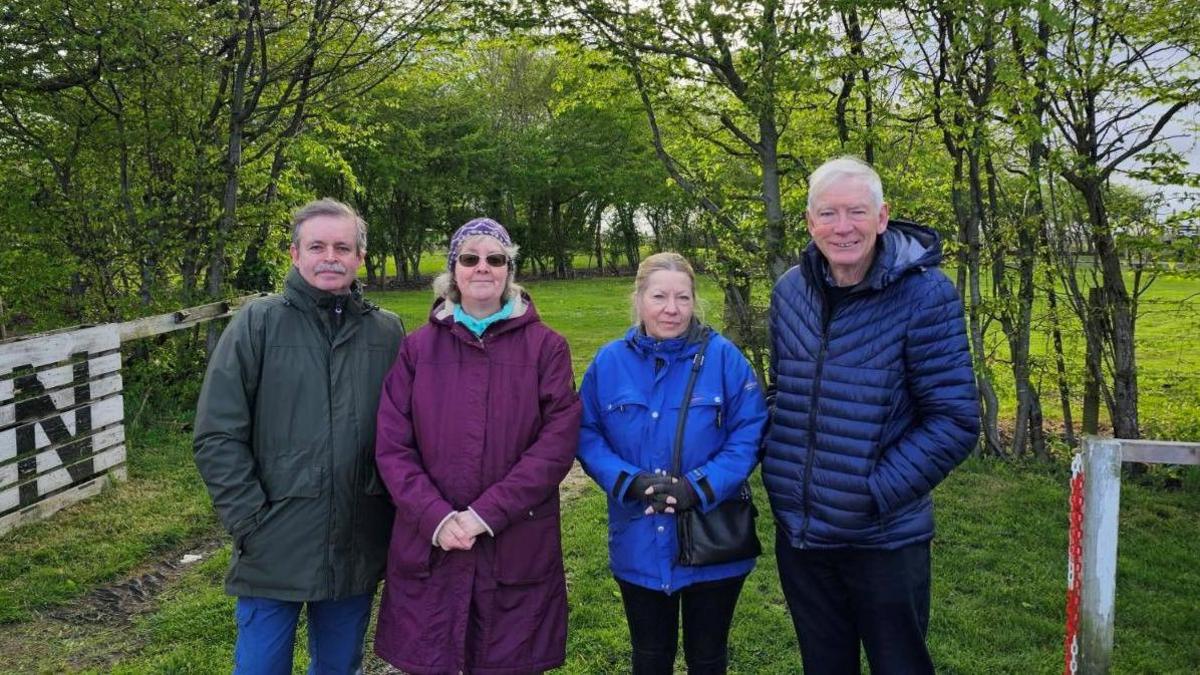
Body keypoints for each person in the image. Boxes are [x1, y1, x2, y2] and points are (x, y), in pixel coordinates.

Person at [763, 156, 980, 674]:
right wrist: (781, 463)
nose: (843, 227)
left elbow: (954, 420)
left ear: (882, 217)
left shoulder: (925, 295)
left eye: (856, 212)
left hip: (883, 537)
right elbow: (786, 391)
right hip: (803, 533)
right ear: (810, 221)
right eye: (829, 213)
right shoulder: (790, 291)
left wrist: (873, 491)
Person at [193, 198, 405, 674]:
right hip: (273, 539)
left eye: (342, 247)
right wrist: (249, 518)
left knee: (339, 666)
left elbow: (406, 431)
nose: (330, 256)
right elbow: (216, 434)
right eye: (317, 246)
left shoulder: (387, 332)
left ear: (360, 257)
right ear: (295, 254)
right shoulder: (258, 323)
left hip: (357, 537)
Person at [373, 217, 582, 675]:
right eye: (470, 258)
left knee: (507, 658)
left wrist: (485, 513)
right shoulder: (417, 349)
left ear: (510, 269)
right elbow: (392, 445)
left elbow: (556, 443)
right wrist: (437, 516)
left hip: (514, 539)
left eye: (495, 259)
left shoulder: (547, 348)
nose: (482, 268)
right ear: (453, 271)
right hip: (433, 540)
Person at [577, 252, 767, 675]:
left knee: (708, 656)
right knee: (650, 656)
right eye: (659, 296)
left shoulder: (725, 359)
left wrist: (698, 487)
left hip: (712, 535)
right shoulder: (608, 364)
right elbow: (586, 433)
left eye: (683, 297)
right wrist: (627, 481)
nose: (672, 308)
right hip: (638, 536)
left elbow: (749, 431)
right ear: (639, 298)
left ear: (694, 300)